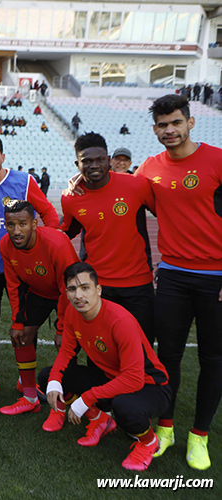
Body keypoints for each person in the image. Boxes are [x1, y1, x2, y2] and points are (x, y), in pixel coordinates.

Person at [135, 94, 222, 470]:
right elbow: (123, 193)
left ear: (190, 122)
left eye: (175, 123)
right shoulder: (149, 168)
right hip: (171, 275)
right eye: (162, 125)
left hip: (216, 277)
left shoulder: (217, 160)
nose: (169, 130)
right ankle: (167, 429)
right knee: (166, 356)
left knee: (213, 359)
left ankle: (199, 436)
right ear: (154, 128)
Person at [41, 262, 170, 471]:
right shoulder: (74, 313)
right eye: (72, 289)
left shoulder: (121, 321)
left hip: (151, 385)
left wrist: (87, 398)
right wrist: (55, 381)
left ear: (98, 290)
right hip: (112, 379)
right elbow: (66, 351)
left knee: (125, 407)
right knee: (48, 377)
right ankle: (100, 419)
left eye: (85, 287)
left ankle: (148, 442)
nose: (78, 295)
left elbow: (134, 379)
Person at [0, 134, 59, 402]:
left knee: (27, 325)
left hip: (22, 269)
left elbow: (50, 215)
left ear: (3, 157)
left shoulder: (23, 181)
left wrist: (45, 247)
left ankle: (23, 380)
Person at [61, 133, 155, 343]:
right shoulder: (71, 197)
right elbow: (65, 232)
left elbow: (166, 214)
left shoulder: (136, 185)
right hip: (97, 286)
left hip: (138, 285)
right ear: (77, 163)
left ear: (109, 160)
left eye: (100, 159)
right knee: (100, 351)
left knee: (142, 350)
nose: (94, 165)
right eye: (87, 161)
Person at [0, 200, 78, 415]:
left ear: (34, 224)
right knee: (21, 336)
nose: (16, 231)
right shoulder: (5, 244)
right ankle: (30, 397)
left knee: (68, 343)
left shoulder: (57, 243)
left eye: (22, 224)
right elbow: (13, 286)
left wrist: (62, 329)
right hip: (39, 293)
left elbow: (68, 290)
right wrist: (17, 321)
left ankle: (71, 391)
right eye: (10, 225)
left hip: (69, 295)